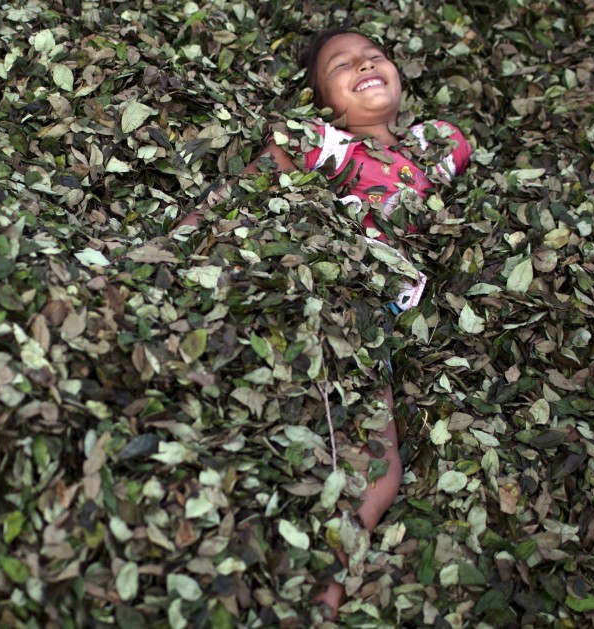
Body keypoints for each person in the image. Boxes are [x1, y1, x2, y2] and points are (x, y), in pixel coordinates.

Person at [178, 29, 472, 617]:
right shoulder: (319, 142)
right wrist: (181, 245)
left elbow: (448, 170)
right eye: (342, 65)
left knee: (379, 475)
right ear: (322, 102)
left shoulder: (436, 141)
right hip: (318, 283)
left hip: (370, 311)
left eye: (375, 56)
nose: (364, 63)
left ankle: (320, 601)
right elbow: (245, 187)